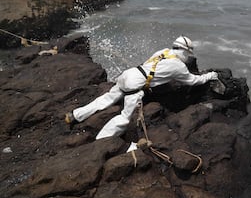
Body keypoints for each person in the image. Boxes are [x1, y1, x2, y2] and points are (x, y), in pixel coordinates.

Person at [65, 35, 218, 139]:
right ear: (185, 51)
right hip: (135, 86)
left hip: (127, 75)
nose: (188, 57)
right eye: (188, 53)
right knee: (124, 118)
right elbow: (192, 81)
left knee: (105, 99)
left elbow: (148, 66)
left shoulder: (163, 52)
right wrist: (210, 76)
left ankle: (75, 115)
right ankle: (101, 140)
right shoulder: (178, 66)